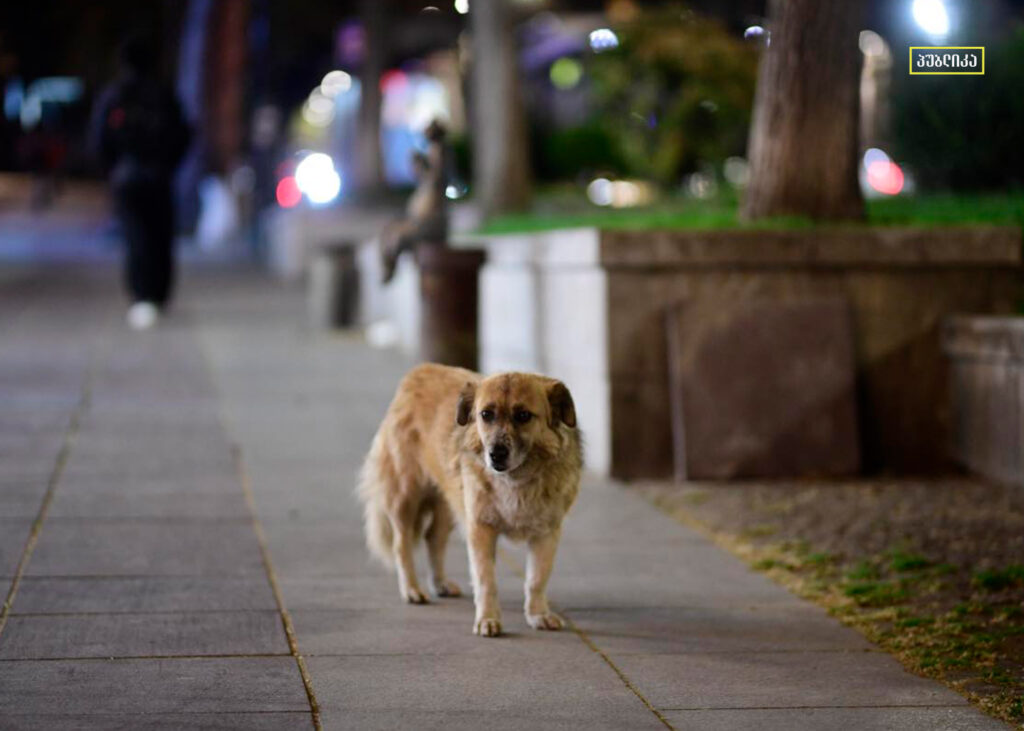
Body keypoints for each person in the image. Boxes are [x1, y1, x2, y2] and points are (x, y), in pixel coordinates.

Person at [91, 35, 189, 330]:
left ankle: (141, 295)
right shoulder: (162, 93)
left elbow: (98, 141)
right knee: (159, 237)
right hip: (158, 178)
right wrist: (169, 166)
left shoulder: (114, 94)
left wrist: (113, 170)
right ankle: (156, 294)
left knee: (136, 237)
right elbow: (183, 134)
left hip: (127, 178)